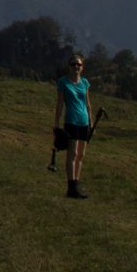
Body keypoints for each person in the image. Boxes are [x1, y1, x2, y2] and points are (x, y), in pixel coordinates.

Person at [53, 54, 93, 198]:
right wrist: (56, 123)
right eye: (73, 64)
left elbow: (87, 103)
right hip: (71, 120)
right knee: (73, 153)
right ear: (69, 66)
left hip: (84, 121)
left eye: (79, 64)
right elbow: (60, 104)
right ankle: (71, 186)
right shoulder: (63, 82)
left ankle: (76, 182)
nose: (76, 66)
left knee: (81, 155)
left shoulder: (85, 83)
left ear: (82, 67)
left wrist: (91, 121)